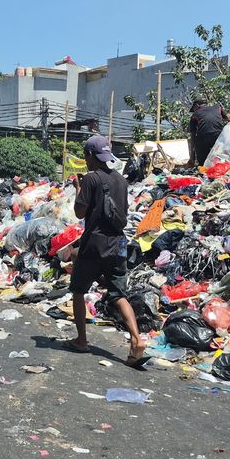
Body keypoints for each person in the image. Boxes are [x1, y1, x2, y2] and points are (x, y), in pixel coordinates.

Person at [63, 135, 148, 368]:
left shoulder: (91, 179)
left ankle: (81, 340)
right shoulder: (121, 180)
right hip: (118, 244)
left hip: (94, 244)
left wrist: (79, 189)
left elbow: (80, 213)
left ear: (91, 156)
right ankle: (137, 339)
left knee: (78, 290)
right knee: (118, 294)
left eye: (86, 156)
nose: (86, 160)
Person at [186, 96, 230, 168]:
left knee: (203, 163)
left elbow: (193, 137)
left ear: (197, 105)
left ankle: (203, 168)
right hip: (218, 136)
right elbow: (229, 117)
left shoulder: (194, 115)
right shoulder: (217, 108)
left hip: (203, 138)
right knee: (221, 158)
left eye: (194, 108)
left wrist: (192, 158)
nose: (194, 110)